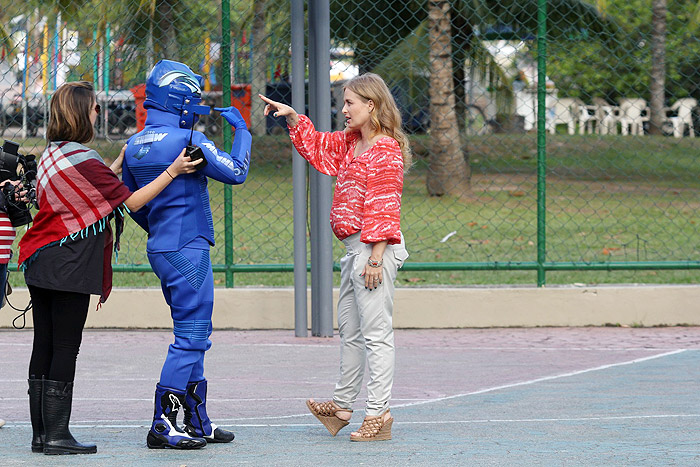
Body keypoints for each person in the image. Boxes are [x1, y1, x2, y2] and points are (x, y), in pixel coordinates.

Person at [18, 81, 201, 455]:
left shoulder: (53, 154)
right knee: (66, 347)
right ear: (81, 113)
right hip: (69, 264)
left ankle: (42, 435)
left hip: (40, 260)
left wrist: (114, 165)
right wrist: (173, 170)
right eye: (94, 106)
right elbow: (130, 203)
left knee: (45, 344)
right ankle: (58, 436)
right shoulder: (84, 159)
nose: (98, 111)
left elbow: (84, 189)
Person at [259, 72, 410, 441]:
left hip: (374, 249)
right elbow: (318, 148)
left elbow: (385, 204)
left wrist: (375, 257)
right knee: (353, 333)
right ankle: (342, 407)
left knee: (376, 335)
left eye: (349, 103)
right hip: (354, 249)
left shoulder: (385, 149)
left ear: (371, 105)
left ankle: (379, 415)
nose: (343, 110)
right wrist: (294, 118)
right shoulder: (352, 142)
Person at [122, 59, 251, 450]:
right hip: (188, 248)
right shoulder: (186, 140)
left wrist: (161, 231)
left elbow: (133, 204)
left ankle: (196, 419)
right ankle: (163, 422)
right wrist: (242, 130)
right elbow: (236, 171)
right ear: (183, 99)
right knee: (191, 335)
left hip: (161, 247)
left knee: (194, 333)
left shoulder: (134, 144)